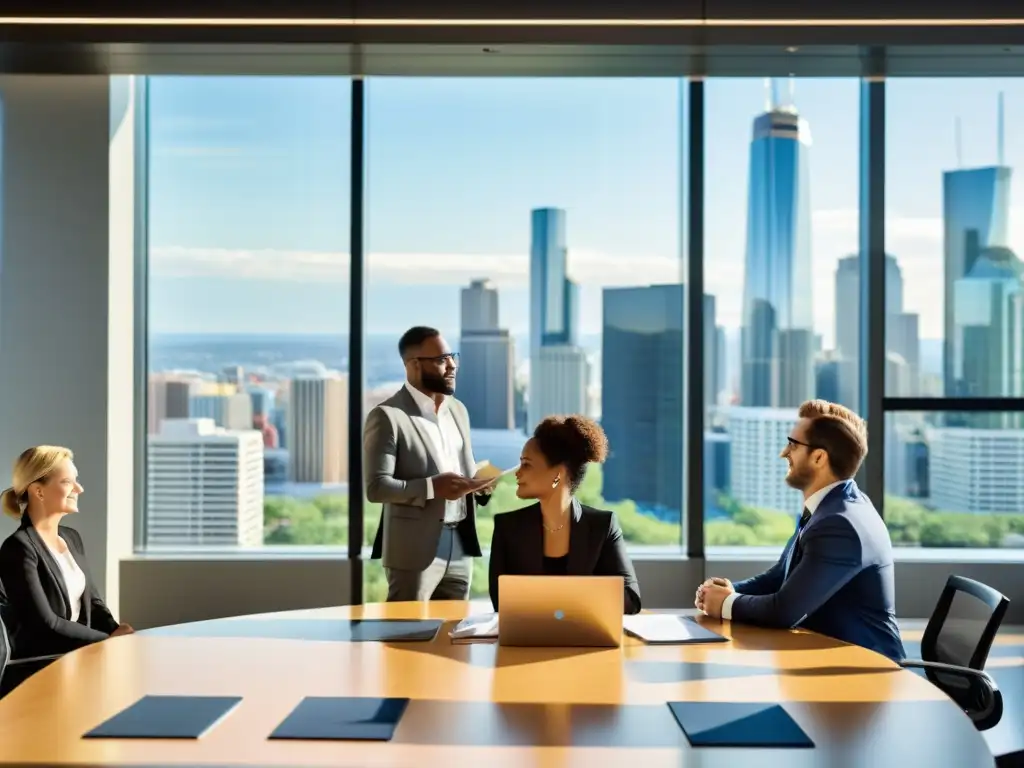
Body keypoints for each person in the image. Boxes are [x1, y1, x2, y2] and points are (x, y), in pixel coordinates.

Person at [695, 400, 905, 663]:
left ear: (819, 457)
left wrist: (727, 604)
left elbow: (785, 611)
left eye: (793, 445)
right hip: (830, 660)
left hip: (866, 671)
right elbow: (780, 576)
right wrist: (728, 590)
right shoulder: (830, 507)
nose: (785, 453)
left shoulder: (841, 524)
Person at [365, 326, 494, 601]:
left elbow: (465, 470)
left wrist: (479, 485)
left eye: (452, 357)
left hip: (460, 543)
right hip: (413, 549)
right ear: (413, 365)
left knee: (453, 635)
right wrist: (433, 487)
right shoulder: (388, 417)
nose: (452, 365)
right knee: (406, 633)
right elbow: (377, 488)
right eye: (441, 360)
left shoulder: (458, 410)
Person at [489, 415, 641, 615]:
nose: (517, 473)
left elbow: (630, 601)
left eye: (526, 464)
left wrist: (552, 595)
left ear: (557, 474)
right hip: (526, 641)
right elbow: (501, 603)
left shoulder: (602, 526)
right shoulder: (507, 527)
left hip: (587, 641)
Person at [0, 446, 133, 658]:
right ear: (38, 491)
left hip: (79, 656)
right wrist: (106, 642)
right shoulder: (18, 548)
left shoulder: (72, 538)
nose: (79, 489)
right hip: (42, 664)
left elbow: (93, 602)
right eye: (67, 482)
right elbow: (44, 624)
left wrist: (116, 631)